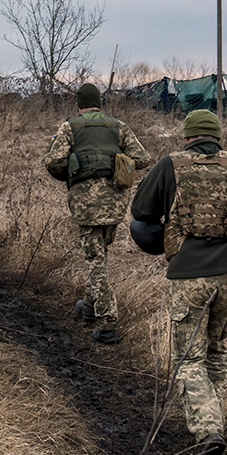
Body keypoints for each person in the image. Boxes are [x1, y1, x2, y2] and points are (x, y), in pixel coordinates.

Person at [129, 109, 227, 455]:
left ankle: (208, 432)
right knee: (217, 348)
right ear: (217, 136)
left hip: (189, 272)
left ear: (187, 136)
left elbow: (140, 213)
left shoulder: (170, 165)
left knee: (188, 358)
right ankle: (215, 420)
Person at [44, 83, 152, 344]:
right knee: (99, 253)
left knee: (95, 260)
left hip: (85, 203)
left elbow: (53, 161)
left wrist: (73, 173)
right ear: (99, 103)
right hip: (115, 201)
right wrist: (115, 170)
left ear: (79, 104)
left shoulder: (71, 126)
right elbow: (143, 157)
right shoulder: (118, 126)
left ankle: (108, 322)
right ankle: (90, 305)